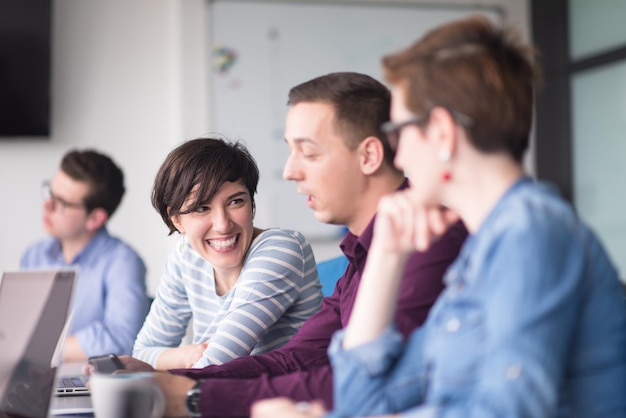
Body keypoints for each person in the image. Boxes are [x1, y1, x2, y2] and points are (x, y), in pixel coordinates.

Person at [252, 16, 626, 418]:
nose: (397, 151)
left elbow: (508, 410)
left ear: (443, 133)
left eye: (399, 129)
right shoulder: (477, 257)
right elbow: (363, 400)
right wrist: (385, 258)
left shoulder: (530, 231)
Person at [117, 72, 468, 417]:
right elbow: (299, 358)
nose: (289, 171)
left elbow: (364, 386)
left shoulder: (427, 239)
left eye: (308, 153)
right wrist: (180, 381)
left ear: (369, 156)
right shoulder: (364, 248)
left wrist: (197, 395)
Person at [131, 136, 323, 370]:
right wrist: (187, 356)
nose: (222, 225)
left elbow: (217, 367)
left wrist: (177, 361)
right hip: (223, 398)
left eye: (235, 202)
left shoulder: (281, 249)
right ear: (177, 220)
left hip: (289, 401)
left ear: (251, 205)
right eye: (202, 208)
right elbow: (141, 354)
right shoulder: (186, 259)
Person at [20, 149, 150, 362]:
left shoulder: (123, 262)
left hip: (87, 385)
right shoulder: (34, 255)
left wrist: (43, 349)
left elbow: (121, 339)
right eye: (50, 193)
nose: (47, 206)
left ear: (95, 218)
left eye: (61, 202)